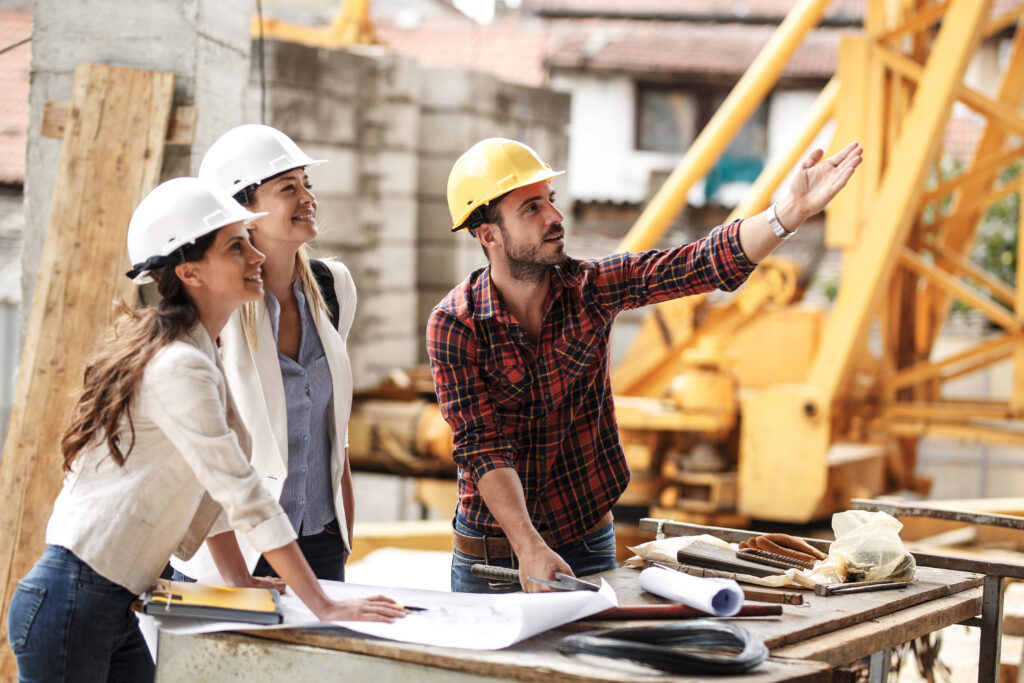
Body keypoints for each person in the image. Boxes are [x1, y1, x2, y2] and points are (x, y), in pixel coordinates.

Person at [6, 178, 404, 683]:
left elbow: (205, 488)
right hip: (74, 602)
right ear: (190, 270)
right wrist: (322, 603)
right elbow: (240, 490)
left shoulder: (198, 353)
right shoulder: (180, 367)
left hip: (99, 601)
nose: (255, 255)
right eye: (236, 246)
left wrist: (239, 578)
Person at [427, 137, 862, 593]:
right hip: (493, 554)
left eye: (550, 202)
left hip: (585, 539)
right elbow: (482, 446)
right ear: (489, 234)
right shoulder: (455, 325)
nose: (555, 217)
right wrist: (528, 545)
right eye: (531, 208)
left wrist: (787, 213)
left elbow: (697, 264)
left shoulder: (589, 290)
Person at [172, 125, 357, 584]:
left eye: (307, 184)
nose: (308, 198)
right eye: (288, 187)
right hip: (235, 546)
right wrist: (234, 572)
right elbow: (204, 458)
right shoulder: (216, 309)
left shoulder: (334, 287)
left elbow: (333, 428)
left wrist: (343, 535)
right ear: (242, 211)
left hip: (321, 540)